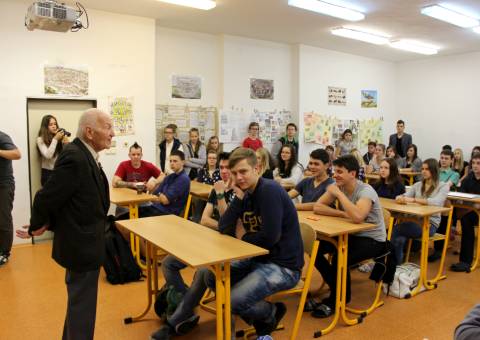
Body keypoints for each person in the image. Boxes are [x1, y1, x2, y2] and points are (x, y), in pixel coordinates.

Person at [151, 148, 303, 339]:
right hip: (258, 257)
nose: (239, 177)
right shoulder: (247, 193)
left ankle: (268, 313)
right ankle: (264, 312)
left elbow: (270, 237)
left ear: (257, 168)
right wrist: (238, 196)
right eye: (235, 173)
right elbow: (224, 227)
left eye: (243, 172)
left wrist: (243, 237)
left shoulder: (269, 190)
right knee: (209, 274)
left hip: (282, 266)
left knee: (229, 301)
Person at [16, 109, 113, 340]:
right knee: (82, 311)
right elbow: (46, 197)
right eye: (108, 127)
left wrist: (47, 223)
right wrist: (38, 224)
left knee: (80, 308)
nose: (113, 133)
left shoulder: (85, 155)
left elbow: (69, 199)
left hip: (86, 243)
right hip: (82, 247)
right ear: (89, 132)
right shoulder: (75, 156)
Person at [309, 155, 386, 318]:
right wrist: (343, 213)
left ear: (352, 173)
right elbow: (318, 206)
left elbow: (358, 217)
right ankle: (337, 287)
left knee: (339, 257)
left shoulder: (366, 190)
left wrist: (339, 194)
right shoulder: (339, 186)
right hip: (350, 234)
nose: (335, 175)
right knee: (314, 248)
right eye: (334, 171)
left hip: (372, 239)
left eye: (339, 172)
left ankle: (340, 298)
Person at [161, 152, 235, 298]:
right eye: (221, 167)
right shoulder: (217, 187)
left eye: (228, 168)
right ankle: (185, 296)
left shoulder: (240, 192)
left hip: (229, 245)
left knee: (203, 272)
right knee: (168, 263)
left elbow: (231, 227)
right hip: (211, 238)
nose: (224, 171)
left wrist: (223, 225)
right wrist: (222, 226)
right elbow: (205, 220)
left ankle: (188, 304)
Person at [391, 159, 449, 263]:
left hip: (429, 224)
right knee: (399, 238)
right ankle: (396, 265)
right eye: (422, 169)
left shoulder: (443, 186)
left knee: (397, 229)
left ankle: (388, 262)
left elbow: (437, 202)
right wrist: (400, 198)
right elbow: (403, 196)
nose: (423, 171)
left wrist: (413, 200)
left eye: (427, 169)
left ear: (434, 170)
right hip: (414, 221)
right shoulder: (417, 185)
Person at [449, 153, 480, 272]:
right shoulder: (468, 178)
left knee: (466, 218)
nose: (475, 166)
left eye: (478, 163)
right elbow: (461, 194)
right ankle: (465, 261)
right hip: (472, 212)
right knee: (465, 220)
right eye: (473, 163)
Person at [0, 131, 21, 266]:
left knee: (3, 219)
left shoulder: (2, 136)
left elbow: (17, 154)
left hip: (3, 185)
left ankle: (4, 253)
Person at [37, 114, 70, 185]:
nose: (54, 126)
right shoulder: (40, 139)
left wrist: (66, 144)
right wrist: (55, 139)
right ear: (45, 127)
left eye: (55, 124)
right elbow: (48, 155)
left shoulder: (59, 138)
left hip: (61, 171)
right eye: (50, 124)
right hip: (48, 173)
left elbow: (67, 155)